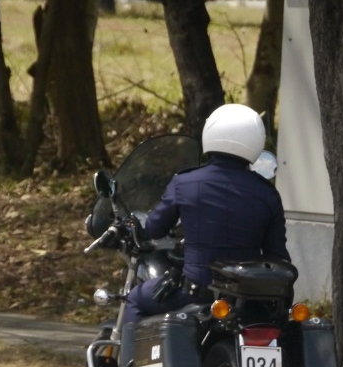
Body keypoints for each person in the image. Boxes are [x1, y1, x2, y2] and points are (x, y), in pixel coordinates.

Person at [121, 103, 291, 331]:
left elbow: (154, 229)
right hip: (248, 302)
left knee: (135, 299)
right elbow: (278, 256)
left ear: (210, 133)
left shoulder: (185, 183)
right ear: (255, 142)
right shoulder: (268, 194)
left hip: (194, 294)